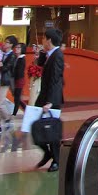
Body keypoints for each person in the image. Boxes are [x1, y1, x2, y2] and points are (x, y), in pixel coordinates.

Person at [34, 29, 65, 172]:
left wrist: (50, 102)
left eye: (43, 39)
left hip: (51, 99)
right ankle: (48, 153)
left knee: (51, 130)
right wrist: (40, 54)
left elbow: (56, 79)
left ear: (49, 40)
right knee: (34, 125)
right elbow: (40, 67)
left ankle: (56, 160)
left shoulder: (57, 55)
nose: (42, 41)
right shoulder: (49, 54)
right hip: (45, 97)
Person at [12, 42, 27, 116]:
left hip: (19, 80)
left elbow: (19, 71)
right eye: (16, 47)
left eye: (18, 48)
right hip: (17, 80)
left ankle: (15, 112)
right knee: (17, 96)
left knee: (17, 97)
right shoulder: (17, 58)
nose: (16, 49)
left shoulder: (21, 59)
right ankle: (25, 109)